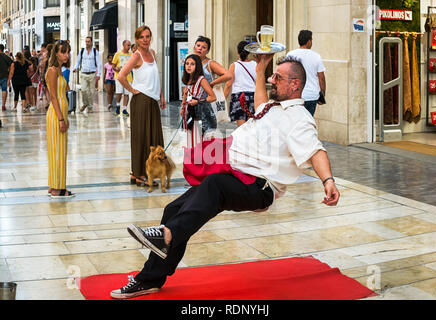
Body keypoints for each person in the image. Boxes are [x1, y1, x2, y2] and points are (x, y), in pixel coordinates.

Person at [110, 53, 340, 299]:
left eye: (278, 77)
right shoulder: (275, 107)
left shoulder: (299, 118)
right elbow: (261, 101)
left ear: (295, 84)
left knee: (214, 185)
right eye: (273, 76)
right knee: (173, 210)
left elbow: (316, 151)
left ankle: (166, 235)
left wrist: (328, 181)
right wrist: (261, 69)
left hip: (259, 187)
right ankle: (149, 279)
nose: (273, 80)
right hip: (236, 174)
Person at [117, 25, 167, 187]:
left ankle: (140, 172)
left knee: (152, 137)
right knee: (142, 138)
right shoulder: (136, 56)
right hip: (141, 100)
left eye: (147, 36)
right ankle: (139, 174)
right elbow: (121, 76)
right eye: (142, 37)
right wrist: (132, 90)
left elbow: (156, 77)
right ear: (137, 39)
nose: (145, 40)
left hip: (152, 100)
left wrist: (161, 95)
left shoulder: (152, 53)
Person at [46, 40, 74, 198]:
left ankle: (55, 185)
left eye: (68, 51)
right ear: (56, 53)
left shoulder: (59, 70)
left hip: (60, 113)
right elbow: (54, 97)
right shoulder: (52, 70)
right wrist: (61, 119)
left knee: (60, 152)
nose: (66, 55)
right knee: (57, 152)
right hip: (56, 115)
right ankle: (57, 188)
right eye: (63, 51)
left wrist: (65, 117)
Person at [286, 30, 326, 116]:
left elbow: (286, 75)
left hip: (295, 95)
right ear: (309, 41)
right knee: (308, 123)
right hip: (312, 96)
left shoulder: (290, 55)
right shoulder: (316, 56)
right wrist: (322, 95)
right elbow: (321, 78)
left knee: (295, 122)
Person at [180, 54, 217, 146]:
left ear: (197, 66)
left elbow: (213, 97)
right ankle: (193, 156)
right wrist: (182, 106)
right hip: (189, 112)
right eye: (187, 63)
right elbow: (185, 93)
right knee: (190, 137)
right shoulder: (188, 79)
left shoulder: (201, 80)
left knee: (199, 137)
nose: (189, 66)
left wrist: (198, 101)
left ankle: (199, 157)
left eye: (192, 64)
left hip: (199, 113)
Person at [224, 41, 257, 127]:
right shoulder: (255, 65)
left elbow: (228, 85)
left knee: (241, 129)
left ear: (238, 52)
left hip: (238, 97)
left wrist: (223, 100)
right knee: (252, 127)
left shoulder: (234, 65)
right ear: (249, 51)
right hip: (253, 96)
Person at [73, 36, 102, 113]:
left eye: (88, 41)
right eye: (86, 41)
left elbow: (99, 64)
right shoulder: (82, 51)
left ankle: (90, 107)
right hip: (83, 73)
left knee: (91, 92)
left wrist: (98, 74)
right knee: (83, 90)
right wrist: (75, 68)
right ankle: (85, 103)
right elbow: (78, 61)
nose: (87, 43)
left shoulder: (95, 52)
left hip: (92, 74)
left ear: (91, 42)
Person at [112, 40, 132, 116]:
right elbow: (113, 66)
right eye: (128, 45)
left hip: (128, 77)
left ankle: (124, 109)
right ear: (123, 45)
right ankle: (117, 106)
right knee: (119, 92)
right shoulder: (117, 54)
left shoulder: (131, 55)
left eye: (130, 45)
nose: (129, 47)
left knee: (126, 94)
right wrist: (117, 69)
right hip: (119, 77)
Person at [0, 44, 12, 111]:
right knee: (4, 90)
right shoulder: (6, 57)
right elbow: (11, 66)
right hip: (4, 76)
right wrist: (9, 77)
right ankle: (3, 105)